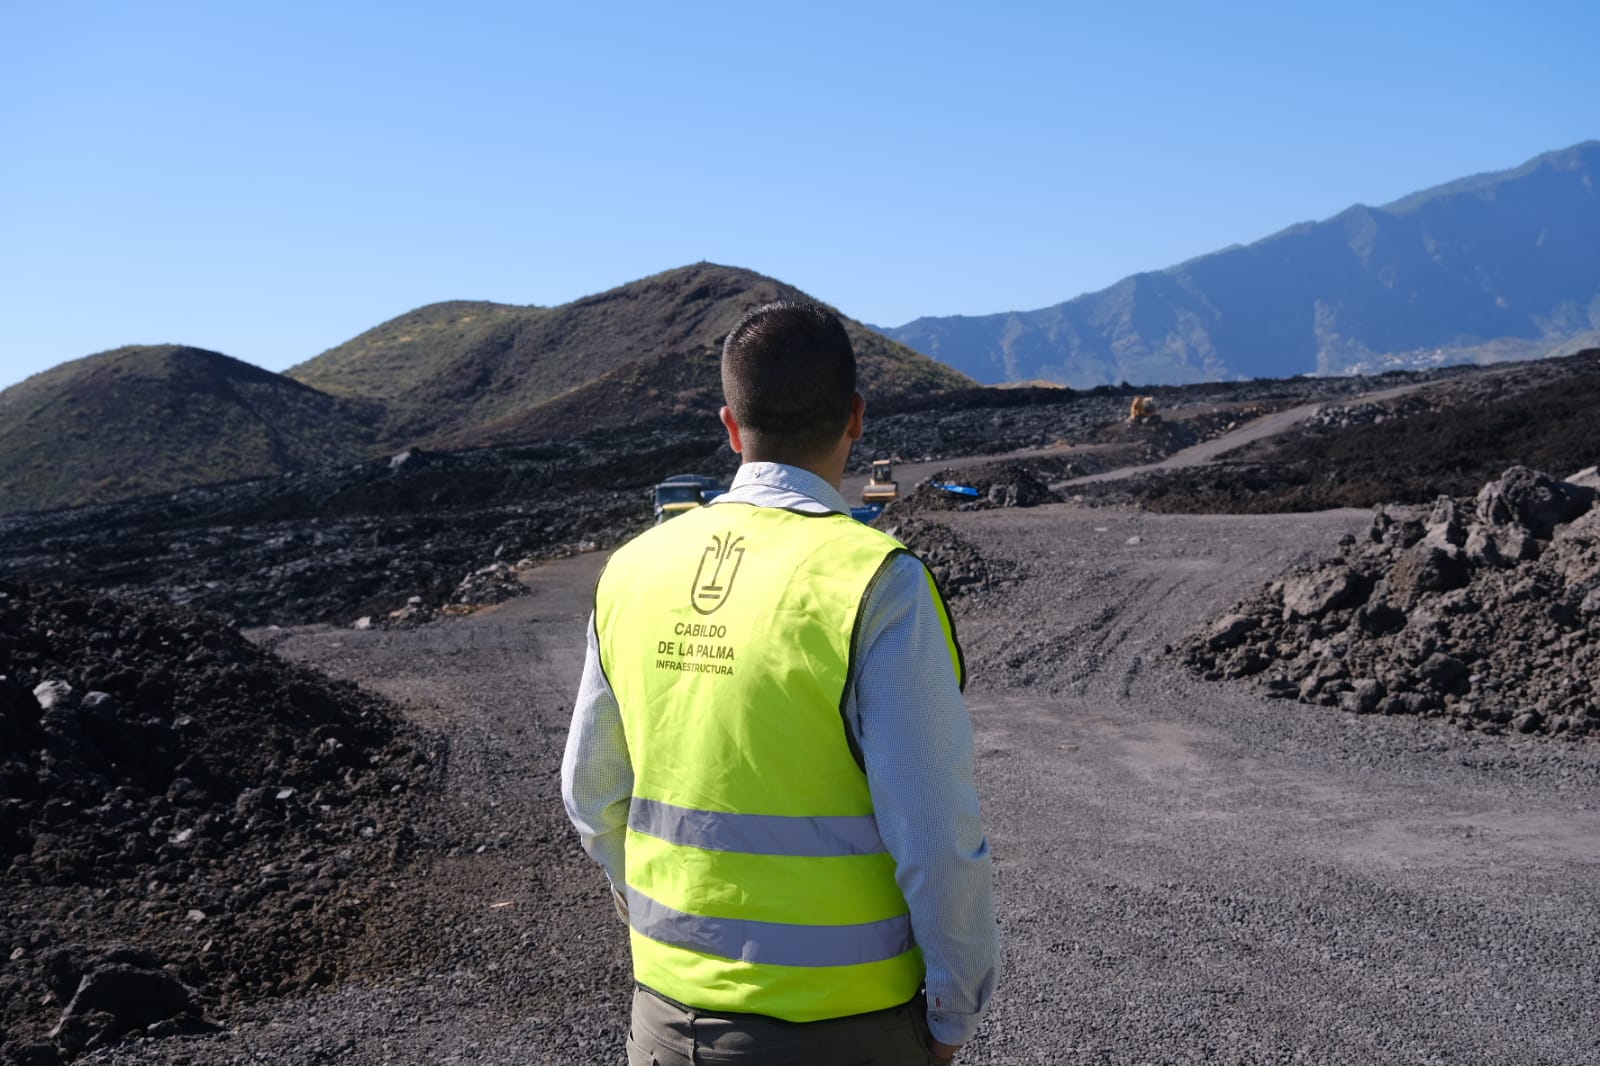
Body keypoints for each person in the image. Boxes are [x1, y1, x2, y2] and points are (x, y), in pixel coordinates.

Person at [561, 299, 999, 1064]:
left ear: (730, 428)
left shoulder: (631, 572)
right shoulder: (877, 585)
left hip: (668, 1022)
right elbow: (935, 836)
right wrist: (953, 1010)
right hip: (847, 1028)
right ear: (856, 418)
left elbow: (589, 795)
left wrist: (665, 929)